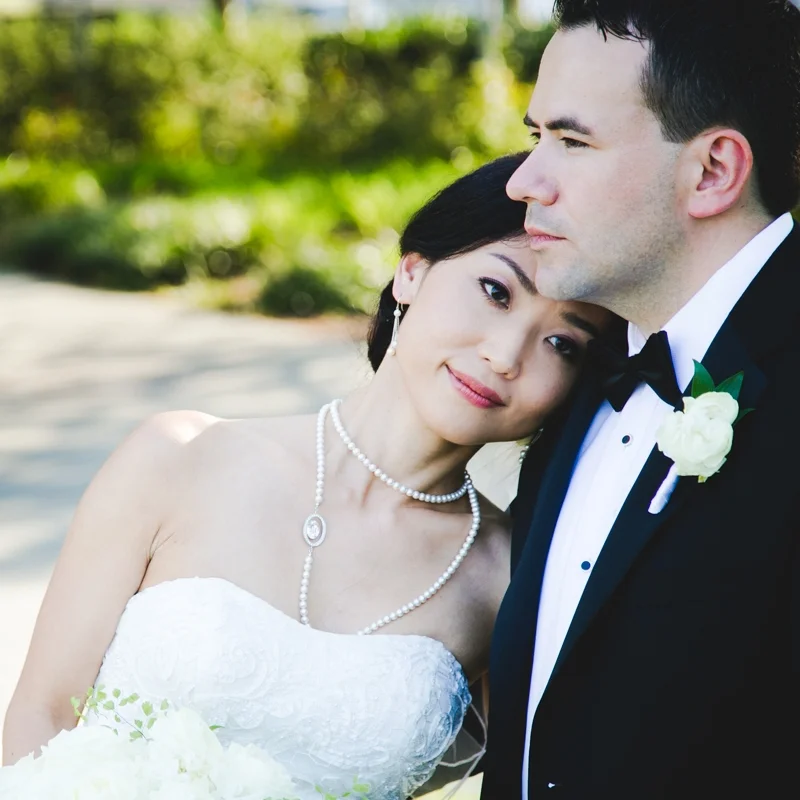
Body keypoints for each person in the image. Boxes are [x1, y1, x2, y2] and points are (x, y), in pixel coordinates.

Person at [1, 153, 613, 799]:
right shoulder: (179, 457)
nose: (505, 354)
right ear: (413, 271)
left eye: (562, 344)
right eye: (495, 292)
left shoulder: (507, 577)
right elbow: (40, 717)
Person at [481, 1, 800, 798]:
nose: (524, 180)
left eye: (571, 141)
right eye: (534, 137)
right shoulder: (576, 372)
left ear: (713, 172)